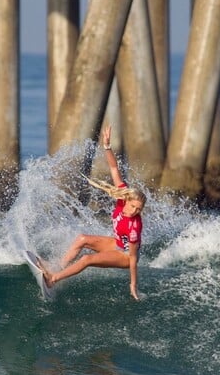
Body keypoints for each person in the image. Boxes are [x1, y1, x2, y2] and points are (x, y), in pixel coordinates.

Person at [37, 125, 146, 301]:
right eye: (133, 206)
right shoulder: (122, 197)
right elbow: (114, 170)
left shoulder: (134, 227)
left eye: (139, 209)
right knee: (82, 239)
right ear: (127, 200)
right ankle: (57, 267)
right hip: (117, 244)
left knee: (87, 259)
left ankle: (53, 279)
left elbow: (133, 259)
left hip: (125, 255)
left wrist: (133, 285)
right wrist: (107, 147)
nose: (135, 211)